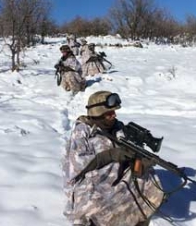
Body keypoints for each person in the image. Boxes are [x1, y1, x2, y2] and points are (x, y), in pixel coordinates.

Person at [62, 91, 165, 226]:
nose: (114, 116)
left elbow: (130, 159)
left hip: (117, 178)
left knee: (148, 179)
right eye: (109, 113)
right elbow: (78, 166)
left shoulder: (118, 128)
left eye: (114, 112)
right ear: (98, 113)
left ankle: (137, 217)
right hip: (91, 183)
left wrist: (140, 161)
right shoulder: (82, 131)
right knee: (96, 207)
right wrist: (111, 155)